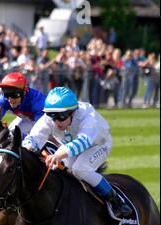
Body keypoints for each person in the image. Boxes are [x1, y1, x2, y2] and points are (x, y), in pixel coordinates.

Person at [21, 87, 132, 218]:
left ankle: (116, 200)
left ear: (73, 112)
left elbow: (84, 141)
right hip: (70, 148)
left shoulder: (87, 113)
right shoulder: (49, 118)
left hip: (97, 145)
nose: (56, 122)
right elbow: (34, 137)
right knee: (64, 173)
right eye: (52, 115)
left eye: (61, 116)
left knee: (80, 169)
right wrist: (25, 149)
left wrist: (58, 154)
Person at [0, 72, 47, 136]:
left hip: (50, 125)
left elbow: (40, 133)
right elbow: (1, 126)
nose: (10, 99)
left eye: (14, 94)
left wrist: (17, 138)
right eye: (6, 94)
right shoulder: (3, 100)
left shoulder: (38, 102)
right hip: (24, 119)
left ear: (24, 92)